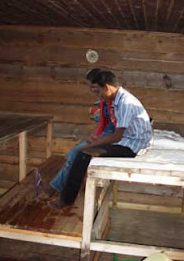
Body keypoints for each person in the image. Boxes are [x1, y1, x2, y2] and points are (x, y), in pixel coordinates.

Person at [49, 70, 153, 209]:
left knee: (83, 154)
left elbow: (118, 136)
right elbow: (115, 131)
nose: (99, 96)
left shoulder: (126, 103)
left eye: (98, 92)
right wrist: (98, 138)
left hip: (133, 147)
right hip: (127, 141)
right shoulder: (119, 99)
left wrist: (96, 143)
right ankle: (65, 193)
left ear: (107, 87)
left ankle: (66, 199)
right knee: (84, 149)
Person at [35, 68, 116, 197]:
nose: (92, 89)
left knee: (76, 152)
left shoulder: (116, 101)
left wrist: (99, 140)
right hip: (106, 134)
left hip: (114, 138)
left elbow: (118, 129)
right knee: (76, 151)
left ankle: (54, 188)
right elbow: (104, 124)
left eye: (93, 86)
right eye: (91, 86)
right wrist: (96, 136)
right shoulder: (103, 99)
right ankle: (64, 186)